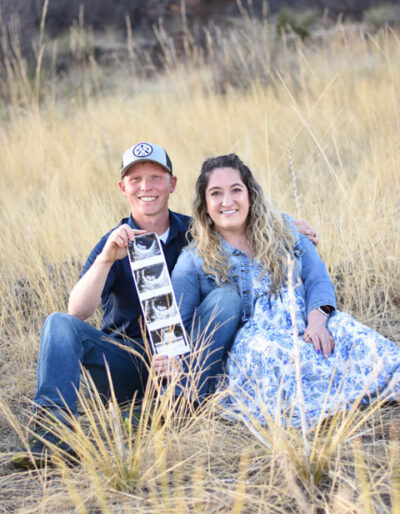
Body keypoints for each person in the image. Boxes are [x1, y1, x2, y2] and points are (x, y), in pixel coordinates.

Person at [12, 143, 318, 468]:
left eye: (156, 177)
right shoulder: (114, 241)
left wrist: (285, 226)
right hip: (126, 363)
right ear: (123, 188)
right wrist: (105, 259)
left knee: (226, 298)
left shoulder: (198, 232)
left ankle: (176, 407)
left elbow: (241, 220)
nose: (147, 187)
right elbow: (77, 311)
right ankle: (51, 436)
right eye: (136, 179)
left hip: (186, 362)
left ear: (172, 184)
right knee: (58, 323)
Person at [171, 153, 400, 428]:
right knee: (278, 358)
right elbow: (178, 326)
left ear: (251, 195)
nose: (227, 201)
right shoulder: (194, 260)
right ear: (205, 204)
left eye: (236, 190)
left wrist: (317, 323)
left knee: (360, 339)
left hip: (306, 323)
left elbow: (318, 280)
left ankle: (370, 392)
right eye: (216, 193)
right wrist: (173, 364)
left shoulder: (285, 230)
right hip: (251, 346)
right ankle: (329, 411)